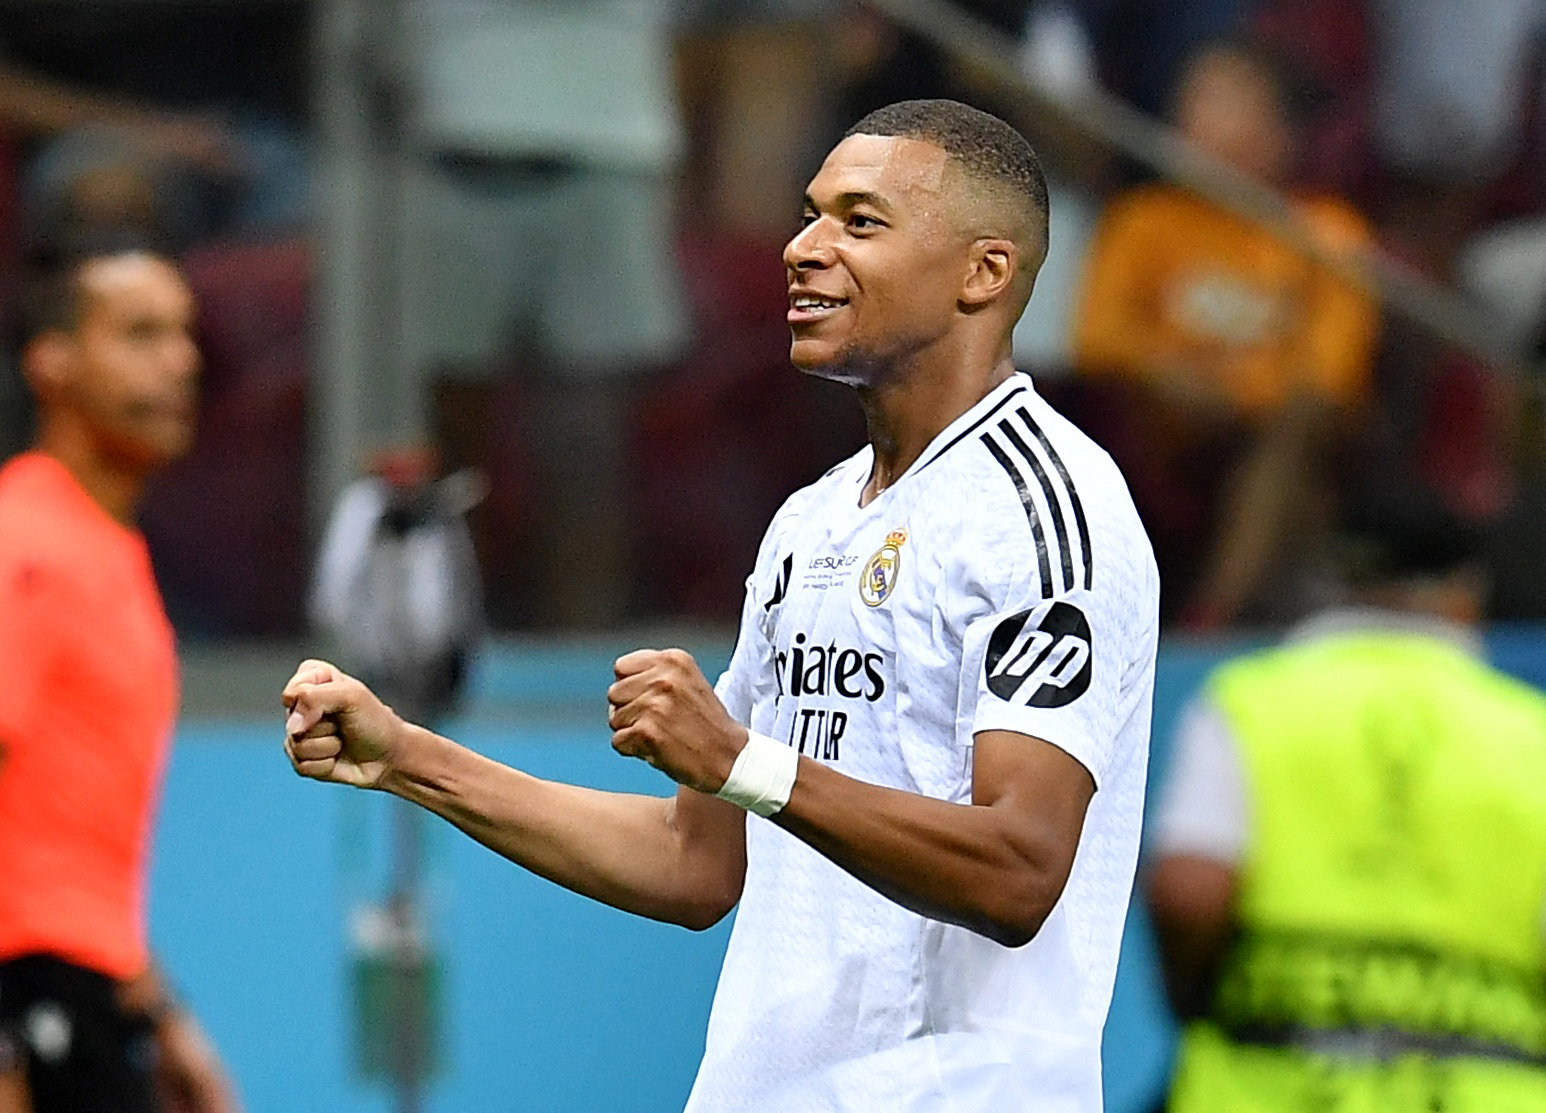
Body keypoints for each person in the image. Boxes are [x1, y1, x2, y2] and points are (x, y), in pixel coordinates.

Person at [285, 99, 1159, 1112]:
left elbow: (1019, 869)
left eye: (859, 222)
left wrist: (745, 762)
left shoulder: (1048, 512)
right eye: (808, 214)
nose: (803, 249)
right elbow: (693, 862)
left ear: (985, 273)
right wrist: (406, 757)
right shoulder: (811, 523)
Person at [1145, 494, 1546, 1111]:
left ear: (1333, 583)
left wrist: (1200, 1003)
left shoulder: (1250, 704)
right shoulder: (1530, 733)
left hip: (1273, 1084)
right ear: (1465, 595)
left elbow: (1189, 893)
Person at [0, 244, 240, 1113]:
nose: (180, 359)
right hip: (29, 1008)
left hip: (90, 1001)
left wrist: (161, 1014)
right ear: (51, 363)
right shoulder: (24, 544)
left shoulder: (106, 547)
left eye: (183, 333)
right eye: (140, 334)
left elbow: (65, 850)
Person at [1072, 38, 1379, 628]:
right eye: (1195, 100)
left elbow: (1328, 377)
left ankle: (1214, 617)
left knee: (1296, 433)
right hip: (1154, 421)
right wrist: (1175, 379)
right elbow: (1100, 343)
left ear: (1283, 130)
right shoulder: (1144, 220)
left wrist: (1231, 393)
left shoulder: (1326, 234)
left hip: (1261, 437)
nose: (1198, 120)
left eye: (1229, 103)